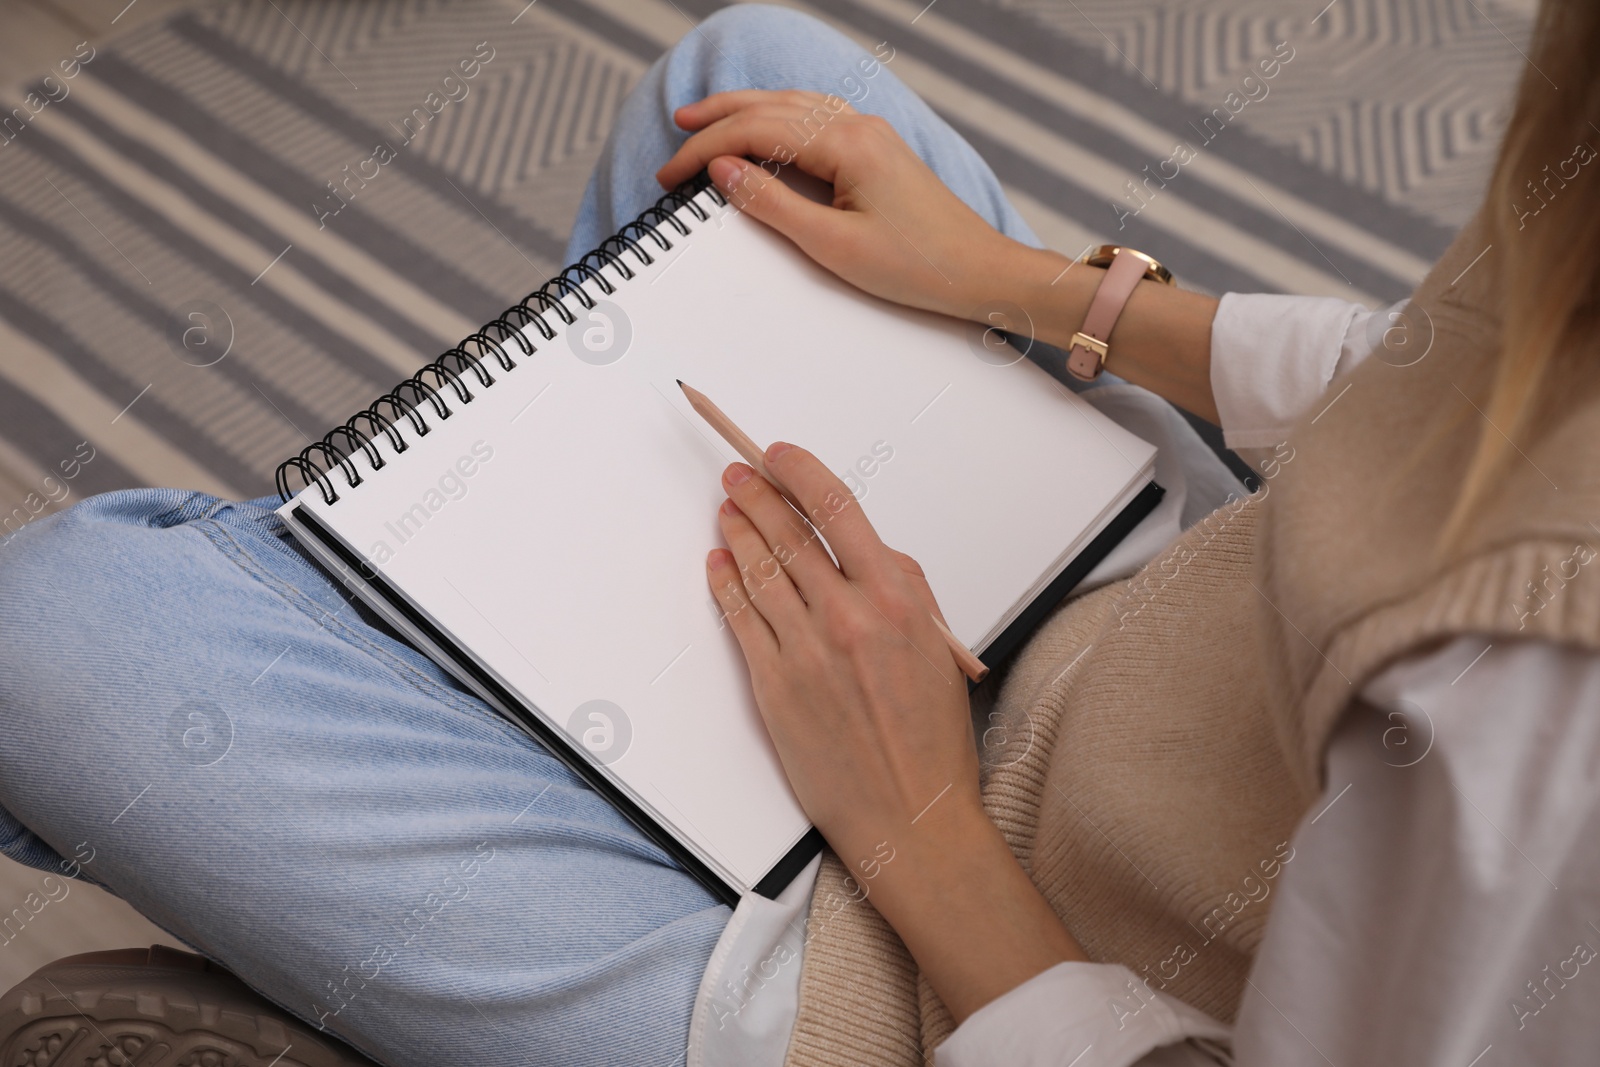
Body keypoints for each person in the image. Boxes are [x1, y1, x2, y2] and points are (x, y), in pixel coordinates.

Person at [2, 4, 1597, 1066]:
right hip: (1146, 598)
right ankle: (499, 750)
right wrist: (1027, 286)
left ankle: (494, 800)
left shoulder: (1546, 702)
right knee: (754, 90)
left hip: (949, 976)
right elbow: (1460, 366)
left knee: (43, 628)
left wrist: (909, 815)